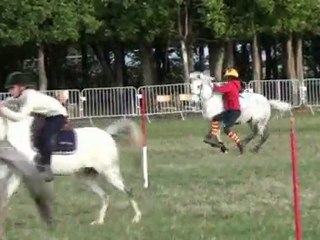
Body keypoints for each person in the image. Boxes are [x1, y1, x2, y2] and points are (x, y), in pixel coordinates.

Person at [0, 71, 68, 182]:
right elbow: (12, 100)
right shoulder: (23, 95)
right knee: (35, 137)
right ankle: (39, 162)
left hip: (58, 115)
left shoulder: (30, 97)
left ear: (21, 87)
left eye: (12, 88)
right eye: (9, 89)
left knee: (46, 136)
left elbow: (20, 117)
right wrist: (3, 103)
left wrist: (3, 110)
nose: (9, 91)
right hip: (46, 116)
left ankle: (47, 169)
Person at [203, 68, 244, 154]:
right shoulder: (233, 84)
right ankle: (214, 136)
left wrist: (211, 84)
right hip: (229, 110)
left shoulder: (231, 85)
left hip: (234, 111)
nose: (227, 79)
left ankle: (239, 144)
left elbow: (220, 90)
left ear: (231, 77)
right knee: (215, 118)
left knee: (226, 129)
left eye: (228, 77)